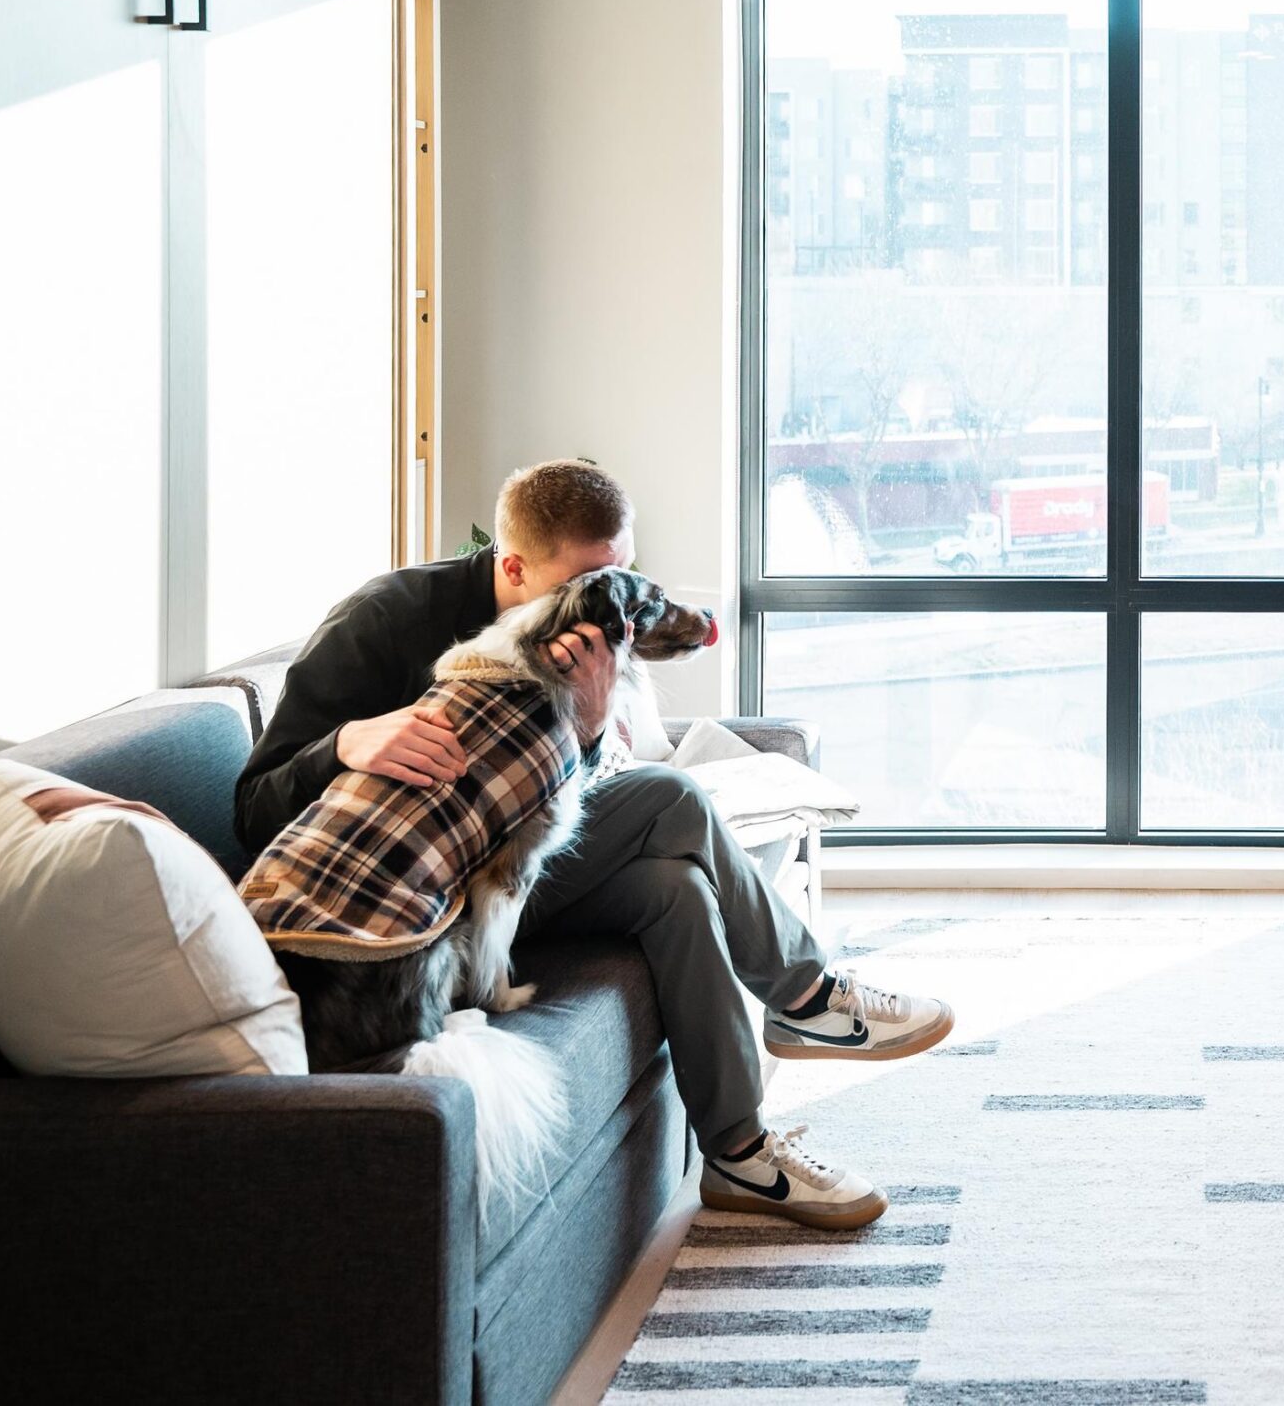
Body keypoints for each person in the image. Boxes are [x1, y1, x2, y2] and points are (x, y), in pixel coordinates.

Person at [237, 459, 949, 1228]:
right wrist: (347, 741)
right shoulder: (386, 621)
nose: (608, 609)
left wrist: (586, 721)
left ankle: (741, 1153)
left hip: (513, 883)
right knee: (673, 798)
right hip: (412, 923)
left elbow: (557, 798)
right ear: (512, 566)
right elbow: (254, 806)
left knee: (675, 887)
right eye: (583, 579)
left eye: (619, 575)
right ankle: (807, 993)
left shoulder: (595, 636)